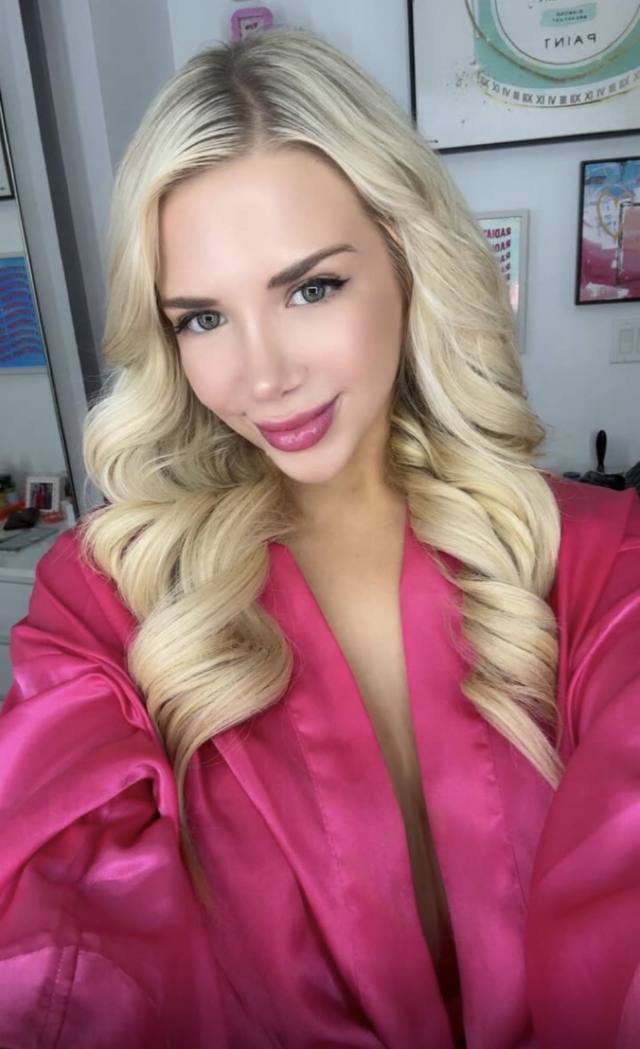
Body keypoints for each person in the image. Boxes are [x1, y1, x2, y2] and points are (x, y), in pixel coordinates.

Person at [0, 25, 638, 1049]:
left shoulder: (600, 559)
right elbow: (63, 951)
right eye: (202, 318)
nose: (264, 377)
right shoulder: (109, 598)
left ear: (407, 259)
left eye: (311, 288)